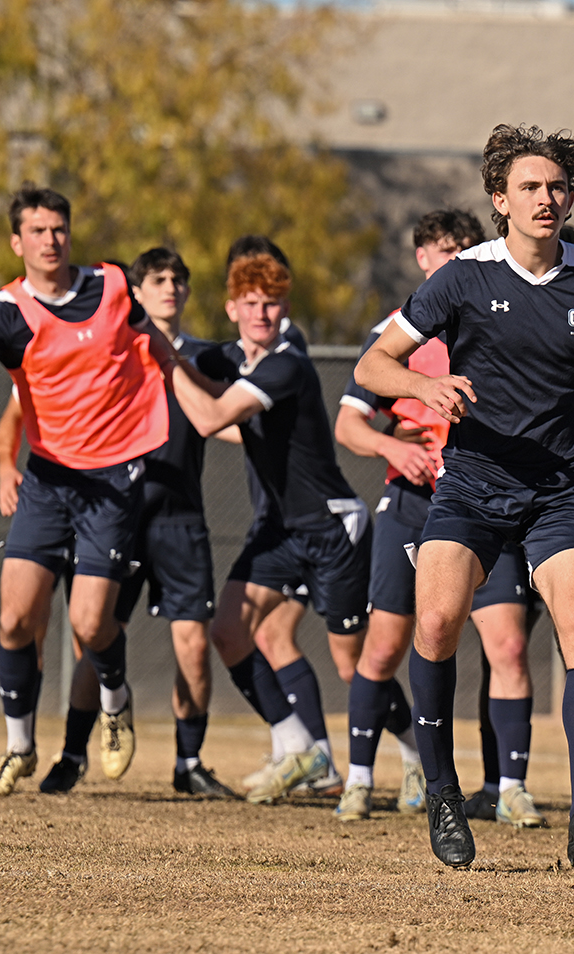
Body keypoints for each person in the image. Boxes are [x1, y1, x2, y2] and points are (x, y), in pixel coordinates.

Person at [355, 123, 574, 871]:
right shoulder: (463, 277)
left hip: (561, 492)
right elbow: (371, 367)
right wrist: (425, 382)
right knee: (438, 621)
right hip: (474, 487)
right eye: (529, 187)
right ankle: (447, 793)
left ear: (570, 196)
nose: (546, 198)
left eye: (557, 187)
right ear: (500, 200)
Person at [16, 248, 235, 796]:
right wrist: (4, 463)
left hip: (181, 518)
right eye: (157, 279)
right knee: (93, 635)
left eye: (179, 279)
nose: (170, 287)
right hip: (118, 513)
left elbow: (237, 415)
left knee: (191, 644)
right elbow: (20, 408)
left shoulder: (206, 358)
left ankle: (189, 763)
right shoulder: (112, 351)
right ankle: (72, 755)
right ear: (134, 292)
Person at [158, 252, 373, 805]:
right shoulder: (232, 356)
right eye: (250, 303)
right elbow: (197, 366)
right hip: (280, 531)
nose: (261, 312)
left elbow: (208, 418)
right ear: (231, 308)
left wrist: (162, 357)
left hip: (329, 527)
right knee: (229, 631)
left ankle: (417, 762)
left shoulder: (286, 362)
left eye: (272, 303)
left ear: (285, 308)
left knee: (355, 663)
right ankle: (302, 748)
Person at [0, 185, 167, 795]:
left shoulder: (112, 285)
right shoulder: (7, 312)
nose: (50, 240)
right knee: (16, 618)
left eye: (58, 228)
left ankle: (115, 703)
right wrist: (4, 461)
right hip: (46, 481)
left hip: (112, 480)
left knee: (90, 624)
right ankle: (19, 747)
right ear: (17, 242)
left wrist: (188, 387)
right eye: (37, 231)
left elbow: (155, 346)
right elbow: (19, 401)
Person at [334, 209, 493, 824]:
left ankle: (498, 785)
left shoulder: (490, 318)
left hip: (480, 503)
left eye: (462, 247)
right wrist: (393, 445)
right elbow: (349, 424)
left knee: (490, 643)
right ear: (421, 258)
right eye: (439, 249)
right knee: (383, 648)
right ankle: (357, 779)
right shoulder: (397, 333)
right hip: (409, 503)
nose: (451, 258)